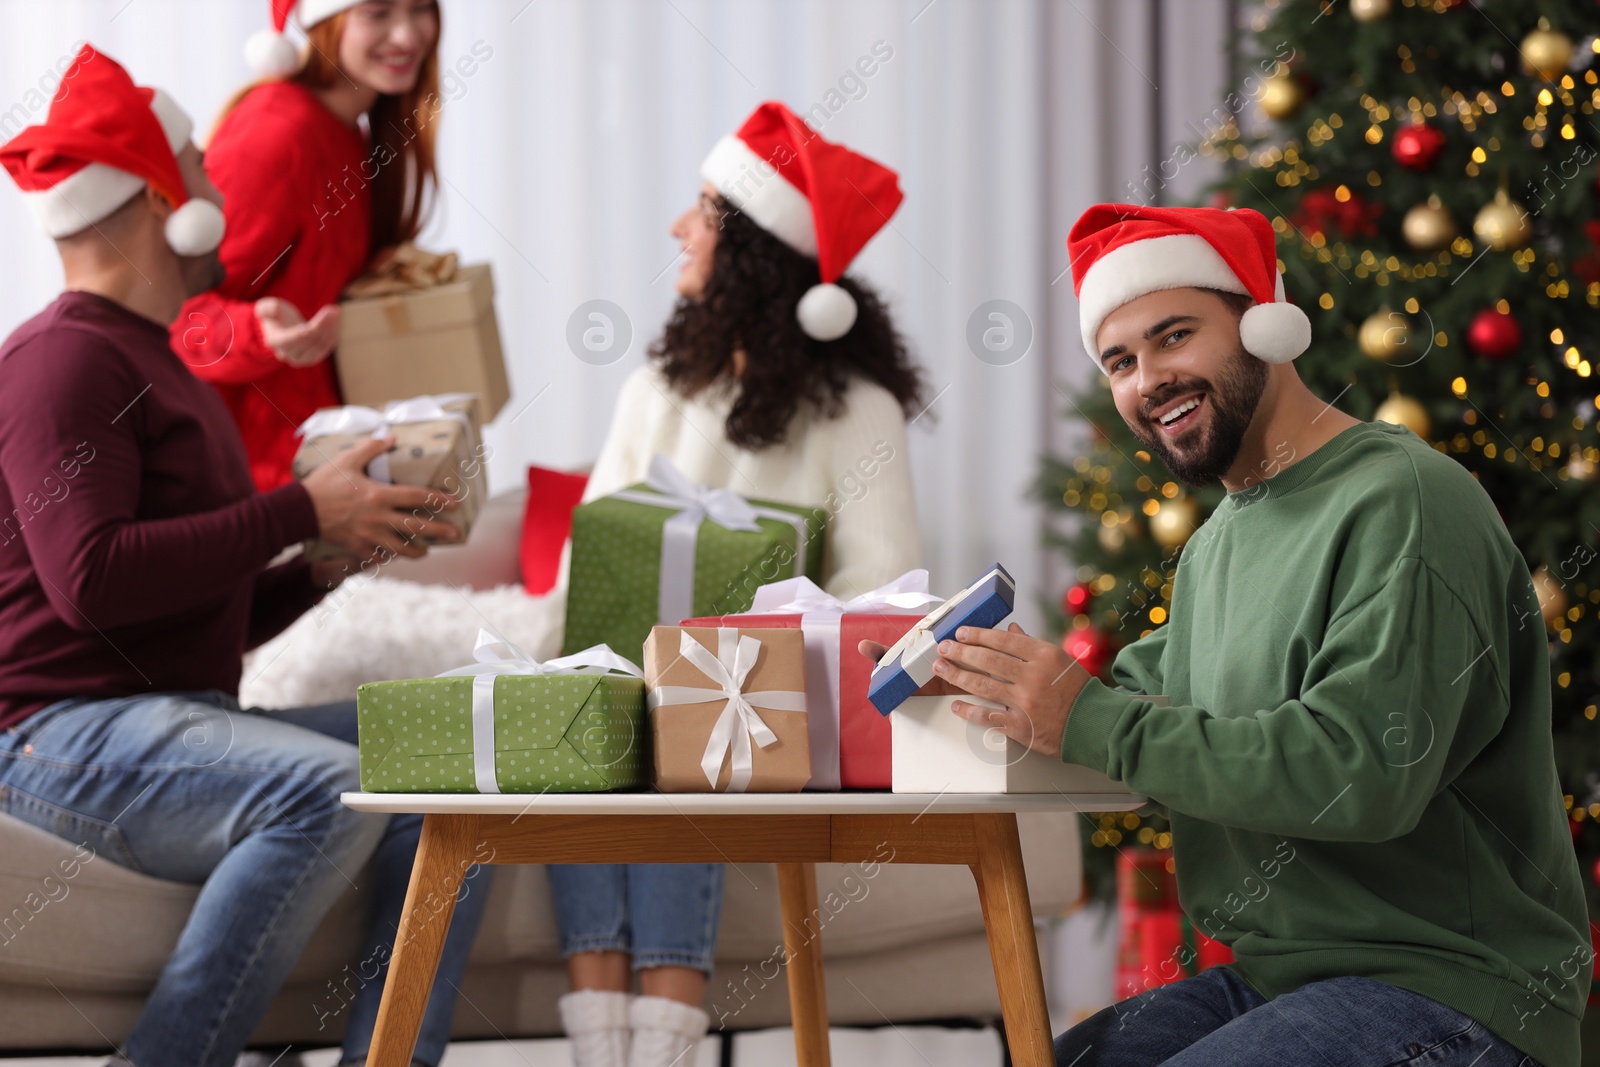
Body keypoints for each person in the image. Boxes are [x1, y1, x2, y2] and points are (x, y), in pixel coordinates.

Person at [868, 203, 1585, 1067]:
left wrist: (1090, 717)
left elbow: (1360, 773)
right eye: (1121, 361)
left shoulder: (1405, 500)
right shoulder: (1218, 543)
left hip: (1453, 988)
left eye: (1174, 336)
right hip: (1285, 976)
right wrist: (981, 685)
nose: (1149, 379)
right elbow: (1140, 701)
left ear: (1263, 323)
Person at [0, 45, 486, 1067]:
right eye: (204, 168)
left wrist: (334, 552)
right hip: (54, 732)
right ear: (163, 201)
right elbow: (91, 582)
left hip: (168, 714)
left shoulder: (157, 360)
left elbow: (196, 606)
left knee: (459, 769)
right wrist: (296, 506)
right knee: (318, 790)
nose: (222, 186)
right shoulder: (62, 359)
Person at [549, 101, 926, 1067]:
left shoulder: (859, 411)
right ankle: (601, 1042)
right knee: (573, 718)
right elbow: (591, 556)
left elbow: (881, 595)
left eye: (705, 209)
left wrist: (735, 655)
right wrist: (560, 666)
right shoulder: (656, 391)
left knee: (696, 720)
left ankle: (664, 1038)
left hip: (760, 708)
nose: (680, 226)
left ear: (754, 248)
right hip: (630, 678)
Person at [172, 0, 444, 492]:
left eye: (421, 7)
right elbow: (176, 315)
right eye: (378, 12)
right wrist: (258, 331)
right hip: (258, 486)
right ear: (325, 22)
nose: (406, 36)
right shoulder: (277, 133)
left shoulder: (354, 133)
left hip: (324, 461)